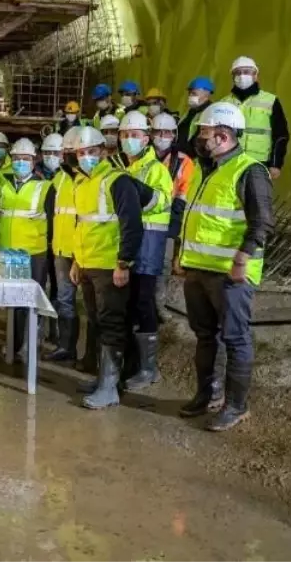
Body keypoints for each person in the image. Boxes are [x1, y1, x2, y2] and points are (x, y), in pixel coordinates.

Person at [177, 102, 274, 431]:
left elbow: (261, 223)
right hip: (198, 268)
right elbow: (194, 217)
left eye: (204, 133)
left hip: (230, 273)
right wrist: (182, 255)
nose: (199, 139)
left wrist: (242, 258)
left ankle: (236, 406)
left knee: (236, 338)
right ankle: (206, 396)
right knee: (205, 336)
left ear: (222, 134)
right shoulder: (207, 169)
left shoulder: (250, 171)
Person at [68, 126, 146, 409]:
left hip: (110, 266)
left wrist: (123, 262)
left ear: (103, 151)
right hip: (88, 265)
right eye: (80, 153)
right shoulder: (81, 183)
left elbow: (132, 225)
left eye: (91, 152)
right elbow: (82, 225)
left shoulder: (117, 181)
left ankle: (110, 387)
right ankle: (106, 378)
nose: (85, 157)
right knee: (99, 322)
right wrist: (77, 261)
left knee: (113, 324)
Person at [116, 112, 174, 392]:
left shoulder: (156, 169)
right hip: (128, 245)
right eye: (125, 135)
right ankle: (131, 366)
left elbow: (163, 202)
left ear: (147, 137)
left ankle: (149, 369)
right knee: (128, 307)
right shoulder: (124, 168)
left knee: (144, 304)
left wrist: (137, 193)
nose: (129, 140)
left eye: (135, 135)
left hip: (148, 245)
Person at [0, 138, 52, 362]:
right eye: (17, 158)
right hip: (8, 254)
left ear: (34, 161)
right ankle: (14, 342)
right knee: (12, 301)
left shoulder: (44, 187)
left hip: (33, 253)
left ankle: (31, 343)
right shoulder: (4, 185)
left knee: (31, 301)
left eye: (25, 159)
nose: (20, 162)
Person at [151, 112, 197, 324]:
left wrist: (174, 223)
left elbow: (184, 193)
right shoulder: (143, 158)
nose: (162, 136)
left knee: (163, 265)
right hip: (143, 219)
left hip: (168, 219)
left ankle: (158, 305)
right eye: (158, 132)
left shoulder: (184, 162)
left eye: (167, 132)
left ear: (174, 134)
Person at [43, 130, 80, 364]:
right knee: (65, 299)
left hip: (86, 252)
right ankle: (66, 348)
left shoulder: (91, 179)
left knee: (94, 308)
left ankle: (92, 358)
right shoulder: (60, 179)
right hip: (61, 250)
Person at [221, 56, 288, 179]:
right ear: (233, 76)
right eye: (238, 72)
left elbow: (281, 135)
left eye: (247, 72)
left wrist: (276, 164)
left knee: (256, 197)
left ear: (255, 75)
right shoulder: (224, 103)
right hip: (228, 162)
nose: (242, 76)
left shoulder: (270, 101)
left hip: (259, 163)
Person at [177, 76, 215, 157]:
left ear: (206, 95)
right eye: (189, 93)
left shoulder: (210, 113)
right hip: (181, 156)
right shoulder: (191, 111)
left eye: (194, 93)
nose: (190, 96)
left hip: (193, 159)